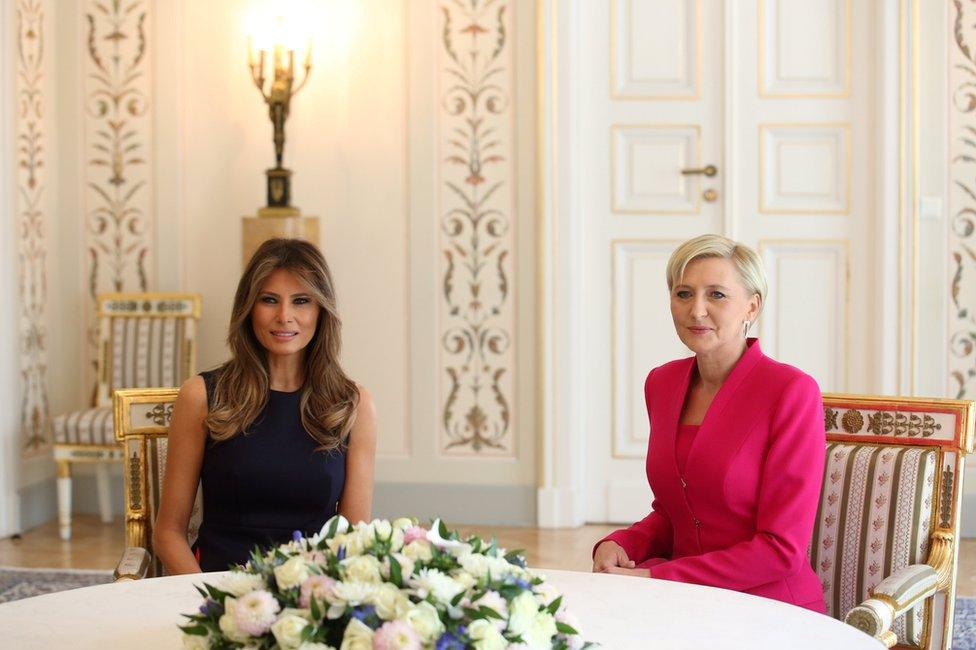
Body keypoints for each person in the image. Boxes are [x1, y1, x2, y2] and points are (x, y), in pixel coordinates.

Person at [591, 234, 826, 613]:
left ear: (752, 306)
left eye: (716, 295)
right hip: (685, 596)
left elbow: (781, 551)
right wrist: (623, 543)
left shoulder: (791, 392)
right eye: (684, 294)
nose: (696, 311)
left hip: (769, 604)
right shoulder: (661, 383)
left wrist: (657, 578)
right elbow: (676, 513)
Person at [154, 238, 377, 574]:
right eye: (269, 300)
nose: (284, 316)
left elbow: (352, 541)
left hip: (310, 601)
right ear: (248, 308)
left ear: (321, 310)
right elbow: (168, 533)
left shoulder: (353, 406)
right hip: (218, 591)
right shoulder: (201, 396)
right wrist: (206, 604)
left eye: (301, 301)